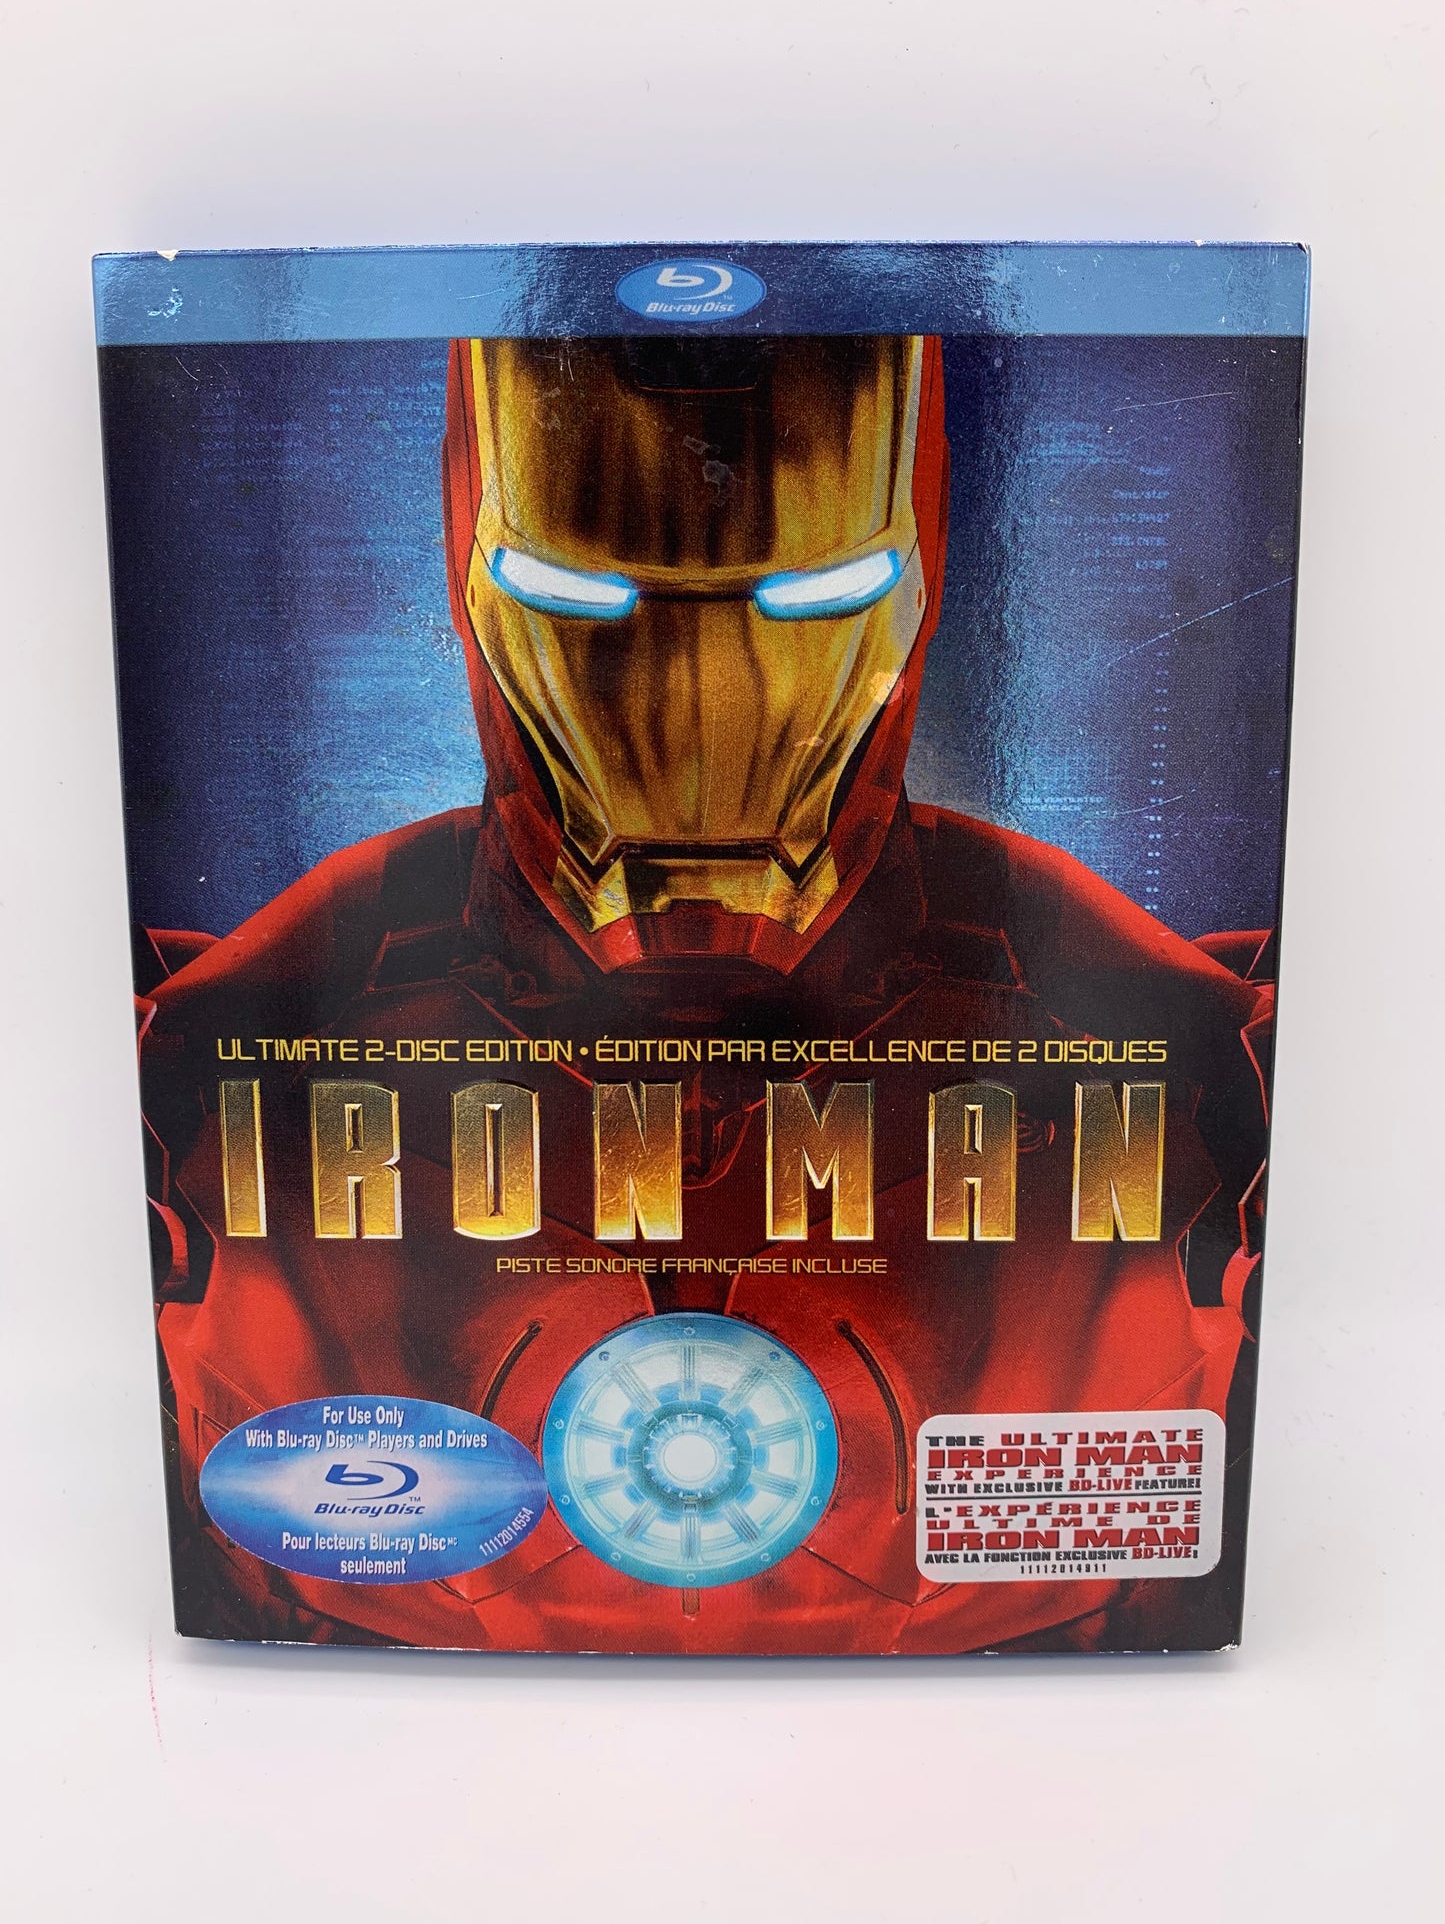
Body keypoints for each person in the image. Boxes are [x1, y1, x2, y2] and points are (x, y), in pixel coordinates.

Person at [138, 334, 1271, 1652]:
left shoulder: (1082, 976)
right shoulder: (319, 973)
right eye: (579, 593)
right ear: (472, 555)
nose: (694, 694)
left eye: (812, 595)